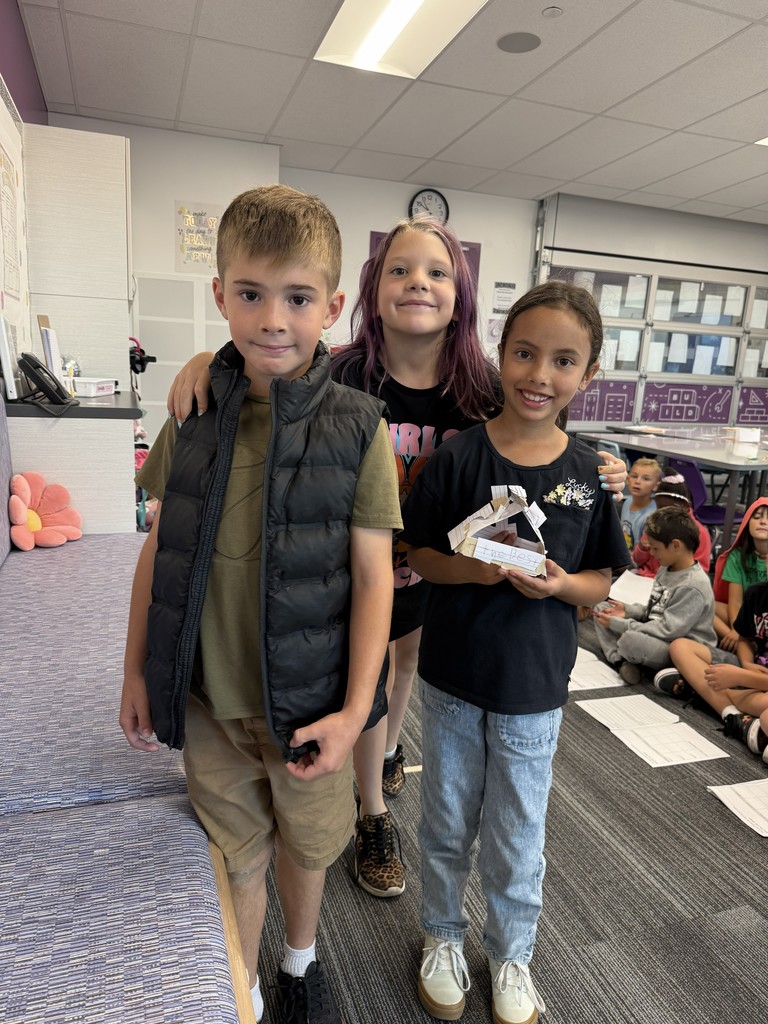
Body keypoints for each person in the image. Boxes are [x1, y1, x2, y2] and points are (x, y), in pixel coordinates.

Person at [165, 219, 629, 901]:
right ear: (370, 291)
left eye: (438, 273)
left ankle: (382, 757)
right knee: (368, 672)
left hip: (439, 566)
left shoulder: (480, 386)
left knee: (404, 665)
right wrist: (205, 361)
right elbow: (268, 356)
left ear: (460, 297)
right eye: (400, 271)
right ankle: (374, 814)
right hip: (347, 564)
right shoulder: (344, 373)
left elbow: (541, 425)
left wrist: (606, 469)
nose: (419, 283)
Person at [120, 184, 402, 1024]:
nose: (272, 319)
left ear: (334, 306)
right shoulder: (193, 410)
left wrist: (357, 715)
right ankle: (238, 993)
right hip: (211, 698)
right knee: (235, 853)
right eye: (250, 294)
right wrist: (136, 670)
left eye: (298, 297)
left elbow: (375, 578)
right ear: (220, 296)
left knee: (308, 848)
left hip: (310, 706)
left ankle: (300, 962)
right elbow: (157, 548)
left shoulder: (360, 427)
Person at [399, 281, 629, 1024]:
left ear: (588, 375)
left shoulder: (591, 475)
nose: (540, 374)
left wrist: (562, 585)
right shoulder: (459, 458)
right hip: (454, 678)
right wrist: (478, 567)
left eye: (564, 361)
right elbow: (422, 555)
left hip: (534, 685)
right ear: (500, 355)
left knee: (518, 831)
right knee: (445, 819)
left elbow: (602, 580)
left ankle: (511, 952)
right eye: (525, 353)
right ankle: (440, 935)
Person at [592, 506, 716, 686]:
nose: (652, 554)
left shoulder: (693, 584)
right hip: (658, 631)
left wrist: (621, 624)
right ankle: (621, 662)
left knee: (631, 640)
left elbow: (668, 630)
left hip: (680, 647)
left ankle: (627, 659)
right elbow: (653, 610)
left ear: (675, 546)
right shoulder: (666, 568)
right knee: (601, 609)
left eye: (656, 548)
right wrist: (627, 610)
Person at [657, 579, 768, 763]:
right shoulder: (757, 592)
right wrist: (746, 664)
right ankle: (735, 715)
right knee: (680, 647)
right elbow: (745, 639)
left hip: (755, 683)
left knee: (765, 710)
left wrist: (740, 677)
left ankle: (703, 693)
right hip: (751, 669)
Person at [711, 497, 768, 651]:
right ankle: (744, 645)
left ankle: (743, 646)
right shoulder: (736, 556)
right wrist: (737, 630)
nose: (763, 522)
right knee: (703, 604)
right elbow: (734, 602)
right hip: (744, 615)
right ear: (747, 523)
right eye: (757, 517)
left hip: (765, 619)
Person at [631, 473, 711, 577]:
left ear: (686, 507)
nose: (664, 514)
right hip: (644, 578)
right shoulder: (655, 525)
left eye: (670, 509)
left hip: (675, 585)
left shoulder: (699, 533)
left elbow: (700, 571)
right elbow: (638, 560)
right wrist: (642, 548)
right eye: (660, 508)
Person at [619, 457, 661, 549]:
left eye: (646, 479)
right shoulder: (627, 502)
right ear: (627, 479)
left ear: (655, 486)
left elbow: (645, 552)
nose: (637, 482)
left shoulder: (651, 516)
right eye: (634, 476)